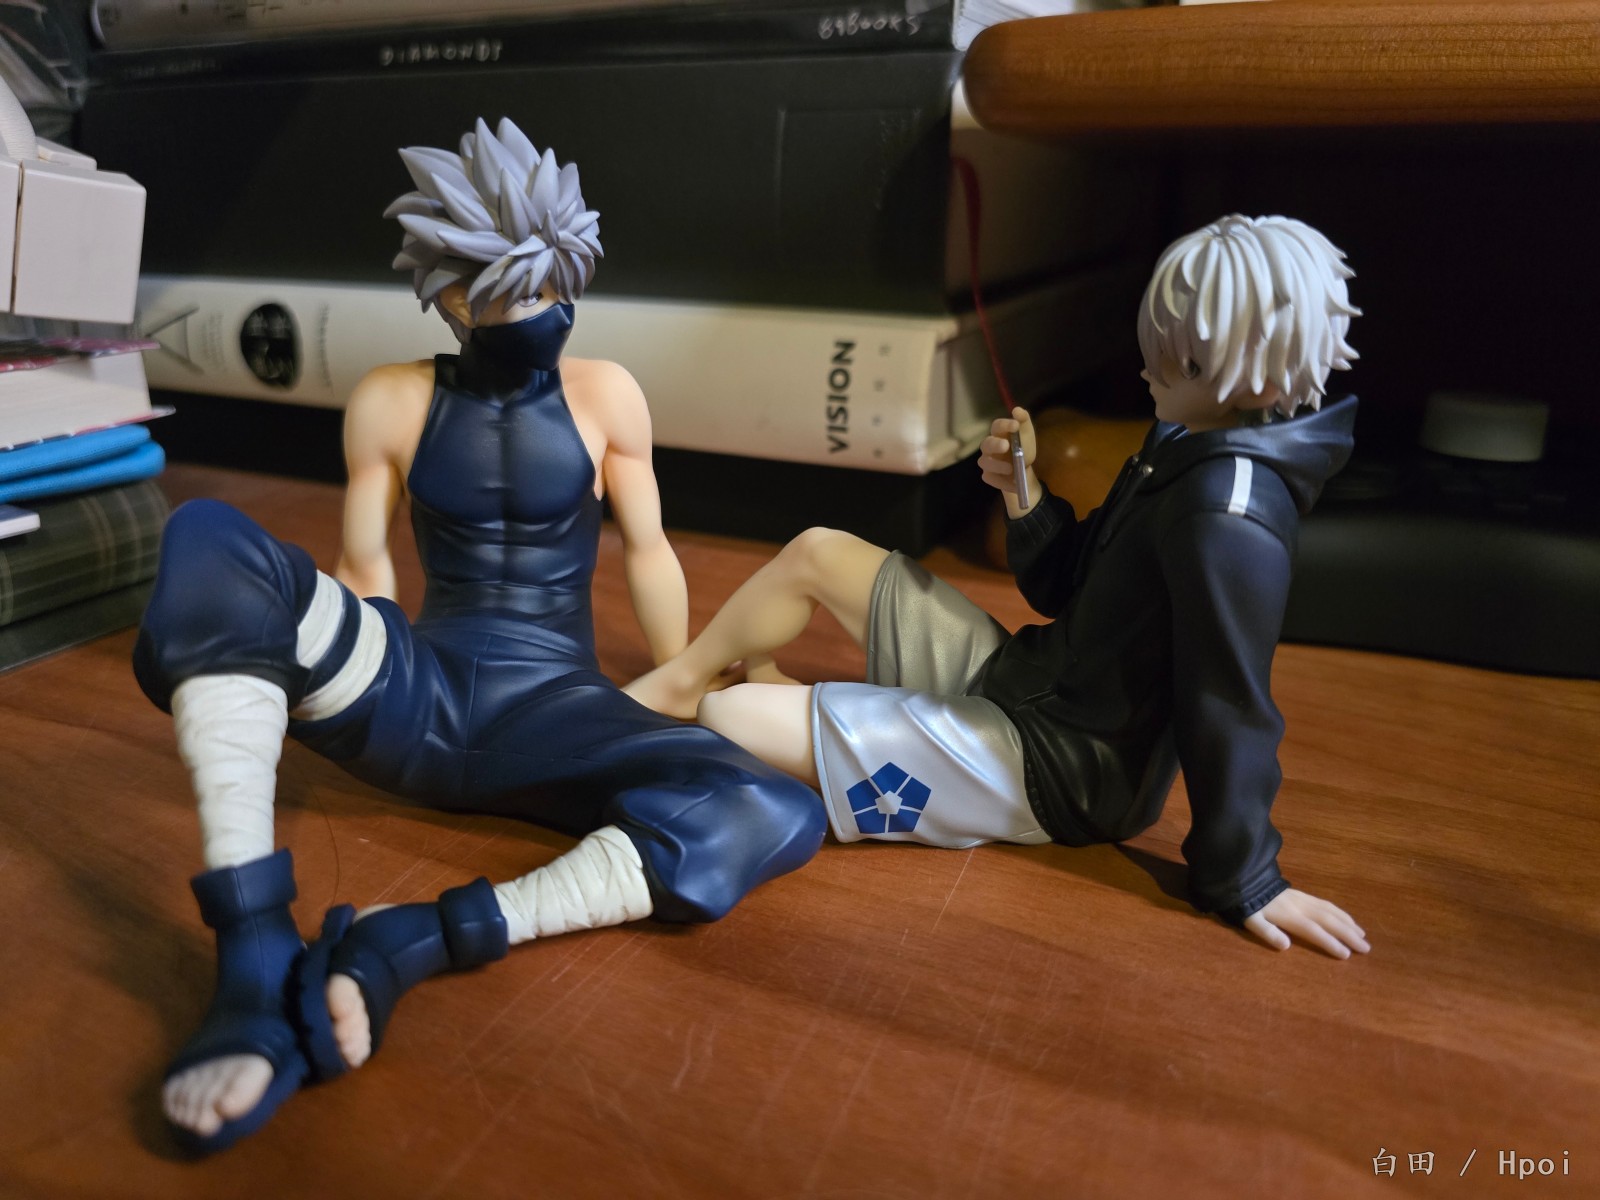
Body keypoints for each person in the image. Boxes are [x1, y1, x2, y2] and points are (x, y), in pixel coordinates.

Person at [134, 118, 825, 1155]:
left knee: (768, 808)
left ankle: (416, 940)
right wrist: (312, 667)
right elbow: (364, 570)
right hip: (415, 689)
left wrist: (678, 675)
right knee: (207, 538)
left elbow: (648, 548)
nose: (535, 310)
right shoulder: (392, 399)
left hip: (555, 713)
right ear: (452, 298)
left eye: (550, 287)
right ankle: (253, 953)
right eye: (507, 292)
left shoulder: (605, 394)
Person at [627, 214, 1371, 961]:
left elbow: (1228, 702)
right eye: (1158, 345)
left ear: (1260, 380)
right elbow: (1069, 587)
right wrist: (1025, 498)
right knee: (819, 551)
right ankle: (676, 681)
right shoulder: (1178, 440)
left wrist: (1248, 878)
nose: (1153, 369)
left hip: (1055, 773)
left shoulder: (1230, 516)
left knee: (730, 714)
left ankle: (732, 723)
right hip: (1023, 680)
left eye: (1184, 361)